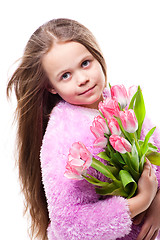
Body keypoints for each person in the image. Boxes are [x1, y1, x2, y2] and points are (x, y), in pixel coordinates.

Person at [7, 18, 160, 240]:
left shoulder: (120, 103)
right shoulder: (62, 137)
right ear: (51, 86)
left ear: (96, 56)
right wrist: (140, 202)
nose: (83, 79)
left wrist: (157, 201)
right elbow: (69, 224)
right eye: (65, 75)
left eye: (85, 63)